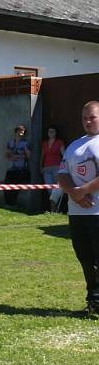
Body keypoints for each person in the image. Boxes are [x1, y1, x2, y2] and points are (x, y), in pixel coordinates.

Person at [57, 101, 99, 318]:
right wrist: (73, 192)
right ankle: (93, 301)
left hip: (97, 212)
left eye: (92, 117)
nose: (87, 121)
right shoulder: (75, 145)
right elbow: (62, 173)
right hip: (77, 213)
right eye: (84, 118)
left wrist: (82, 190)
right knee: (84, 257)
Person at [4, 124, 30, 206]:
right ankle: (7, 203)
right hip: (11, 169)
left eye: (23, 132)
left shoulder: (25, 143)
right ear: (16, 132)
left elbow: (29, 156)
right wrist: (10, 158)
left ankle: (13, 204)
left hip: (21, 169)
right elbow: (6, 154)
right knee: (6, 186)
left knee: (16, 188)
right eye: (20, 132)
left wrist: (18, 156)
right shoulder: (10, 143)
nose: (21, 134)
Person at [41, 124, 65, 212]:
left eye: (53, 131)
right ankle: (53, 209)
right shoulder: (44, 143)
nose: (51, 133)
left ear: (55, 133)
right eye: (49, 131)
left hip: (57, 167)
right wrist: (41, 166)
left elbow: (64, 155)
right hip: (46, 168)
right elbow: (42, 155)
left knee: (56, 189)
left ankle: (53, 210)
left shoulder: (59, 142)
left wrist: (65, 167)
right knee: (50, 190)